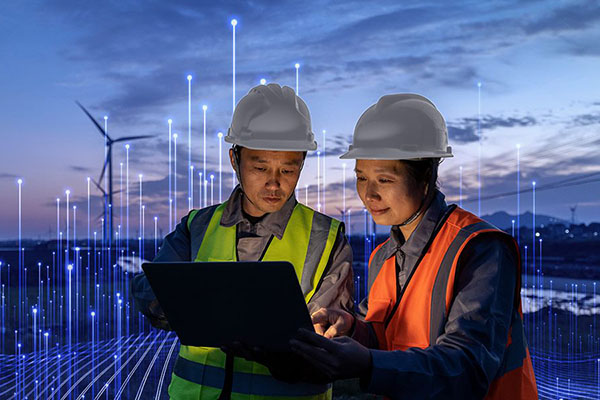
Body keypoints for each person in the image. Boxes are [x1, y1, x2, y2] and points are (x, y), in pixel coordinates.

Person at [288, 94, 538, 399]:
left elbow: (468, 369)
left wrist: (367, 365)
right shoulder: (384, 257)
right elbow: (387, 339)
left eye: (384, 179)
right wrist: (352, 328)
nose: (368, 194)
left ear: (426, 178)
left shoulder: (480, 249)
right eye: (361, 177)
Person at [131, 83, 354, 400]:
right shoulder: (197, 226)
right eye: (260, 167)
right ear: (235, 158)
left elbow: (328, 350)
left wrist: (279, 352)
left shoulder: (326, 237)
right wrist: (180, 303)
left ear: (303, 162)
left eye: (288, 169)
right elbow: (147, 291)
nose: (274, 183)